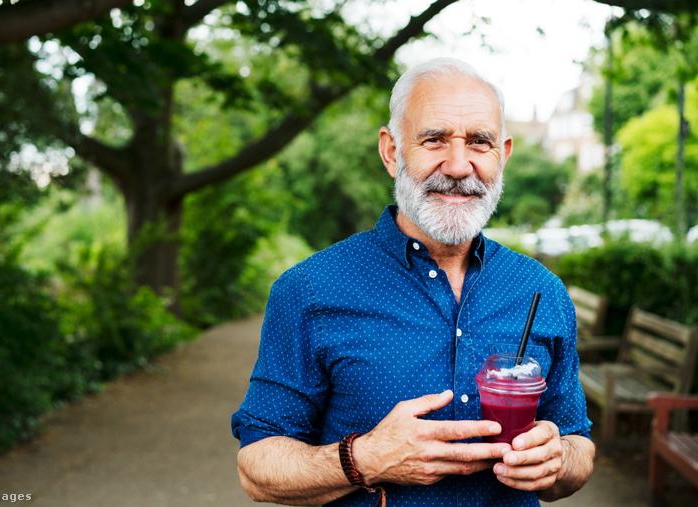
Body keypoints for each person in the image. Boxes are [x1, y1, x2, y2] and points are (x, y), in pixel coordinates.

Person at [231, 57, 595, 506]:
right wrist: (364, 459)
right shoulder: (310, 289)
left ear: (504, 155)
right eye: (434, 139)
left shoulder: (542, 292)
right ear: (391, 151)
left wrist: (556, 461)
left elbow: (578, 444)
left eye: (480, 142)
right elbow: (258, 470)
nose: (459, 165)